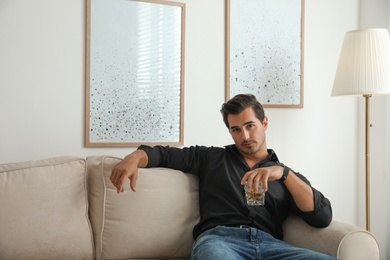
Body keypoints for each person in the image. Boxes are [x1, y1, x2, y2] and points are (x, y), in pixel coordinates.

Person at [110, 94, 337, 260]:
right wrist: (135, 156)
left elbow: (322, 217)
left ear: (264, 123)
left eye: (250, 126)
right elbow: (165, 155)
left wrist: (284, 173)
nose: (245, 136)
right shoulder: (211, 157)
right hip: (220, 242)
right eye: (236, 129)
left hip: (271, 246)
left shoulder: (284, 175)